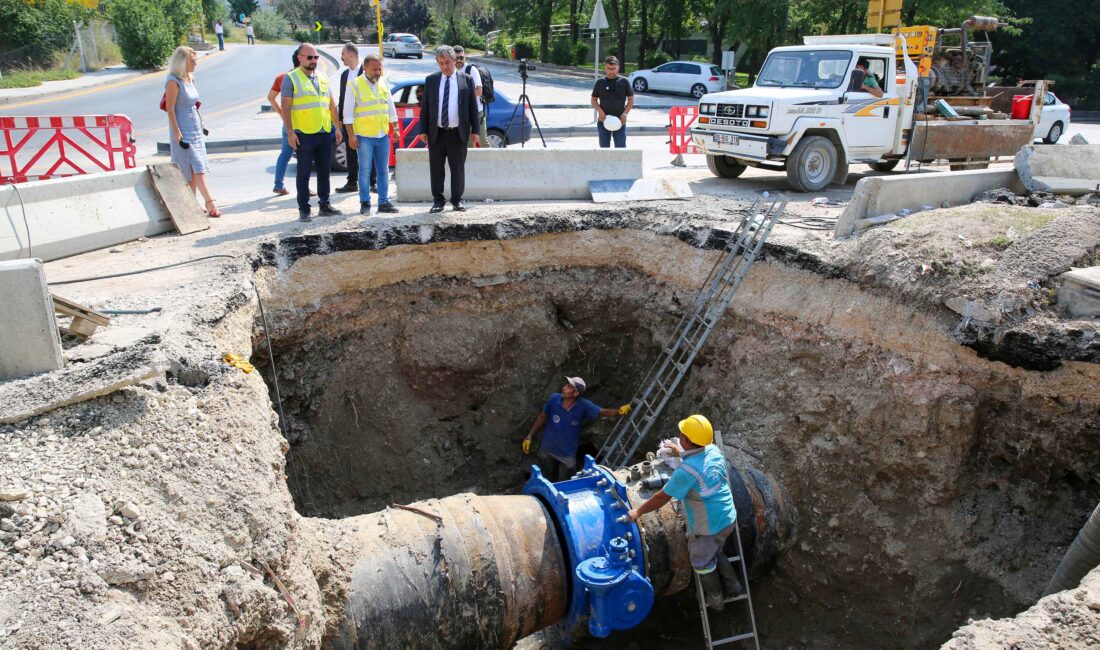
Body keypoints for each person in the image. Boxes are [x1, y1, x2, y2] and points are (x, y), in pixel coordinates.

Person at [626, 414, 743, 610]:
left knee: (702, 563)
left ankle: (716, 599)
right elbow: (699, 458)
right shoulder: (714, 450)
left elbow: (662, 497)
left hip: (708, 527)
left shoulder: (686, 471)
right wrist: (679, 452)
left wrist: (638, 511)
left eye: (682, 434)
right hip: (727, 516)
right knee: (715, 548)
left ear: (686, 440)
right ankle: (735, 586)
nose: (679, 435)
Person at [522, 377, 631, 482]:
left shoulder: (583, 405)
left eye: (569, 386)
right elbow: (542, 417)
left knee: (566, 483)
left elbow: (602, 411)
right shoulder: (554, 399)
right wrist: (529, 436)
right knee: (547, 478)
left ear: (575, 393)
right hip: (547, 450)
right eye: (566, 385)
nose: (564, 387)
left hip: (567, 455)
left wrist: (618, 412)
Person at [280, 43, 344, 223]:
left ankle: (325, 204)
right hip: (304, 134)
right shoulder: (291, 78)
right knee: (304, 172)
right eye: (310, 57)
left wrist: (337, 127)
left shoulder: (323, 77)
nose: (313, 61)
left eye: (316, 57)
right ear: (300, 58)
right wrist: (290, 132)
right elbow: (286, 107)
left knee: (325, 170)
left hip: (324, 131)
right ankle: (304, 208)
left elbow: (330, 103)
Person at [417, 45, 479, 213]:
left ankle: (457, 200)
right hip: (436, 132)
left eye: (448, 62)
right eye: (441, 63)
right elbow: (425, 108)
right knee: (436, 169)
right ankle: (438, 200)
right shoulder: (431, 80)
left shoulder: (466, 79)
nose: (445, 66)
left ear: (455, 61)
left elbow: (473, 108)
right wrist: (423, 130)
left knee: (457, 168)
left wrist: (476, 132)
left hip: (457, 133)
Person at [165, 46, 219, 217]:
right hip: (183, 127)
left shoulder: (190, 78)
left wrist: (201, 124)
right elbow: (170, 109)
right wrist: (176, 132)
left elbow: (194, 104)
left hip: (195, 125)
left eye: (195, 60)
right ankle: (210, 203)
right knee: (197, 167)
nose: (195, 63)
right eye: (192, 60)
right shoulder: (173, 81)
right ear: (181, 62)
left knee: (192, 169)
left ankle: (192, 204)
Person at [344, 53, 399, 215]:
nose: (377, 72)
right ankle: (365, 202)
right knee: (365, 171)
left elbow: (390, 106)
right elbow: (347, 114)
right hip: (364, 136)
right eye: (375, 69)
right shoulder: (354, 85)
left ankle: (384, 202)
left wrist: (394, 127)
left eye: (380, 69)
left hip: (382, 134)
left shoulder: (383, 82)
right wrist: (351, 135)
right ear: (365, 68)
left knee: (383, 171)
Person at [268, 48, 313, 197]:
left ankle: (278, 184)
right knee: (303, 157)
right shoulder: (301, 78)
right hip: (301, 123)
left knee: (286, 154)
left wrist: (282, 114)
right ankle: (304, 188)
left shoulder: (282, 77)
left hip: (288, 123)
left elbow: (271, 97)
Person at [335, 43, 376, 195]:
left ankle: (373, 182)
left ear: (351, 55)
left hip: (363, 120)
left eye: (343, 54)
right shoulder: (345, 75)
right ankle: (352, 182)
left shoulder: (365, 72)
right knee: (350, 151)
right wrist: (340, 119)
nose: (341, 57)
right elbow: (342, 97)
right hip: (348, 120)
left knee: (367, 151)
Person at [591, 56, 634, 148]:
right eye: (608, 69)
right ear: (605, 68)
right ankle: (605, 163)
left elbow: (631, 99)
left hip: (620, 120)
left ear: (618, 68)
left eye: (613, 69)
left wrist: (625, 114)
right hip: (603, 121)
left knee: (620, 148)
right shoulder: (600, 82)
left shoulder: (624, 82)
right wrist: (600, 112)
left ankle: (621, 162)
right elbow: (593, 100)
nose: (611, 71)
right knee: (604, 148)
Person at [453, 46, 489, 147]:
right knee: (466, 142)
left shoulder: (471, 70)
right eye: (456, 58)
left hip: (476, 112)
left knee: (482, 141)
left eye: (462, 58)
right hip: (462, 113)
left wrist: (462, 95)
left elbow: (479, 91)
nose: (459, 61)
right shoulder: (452, 71)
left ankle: (490, 161)